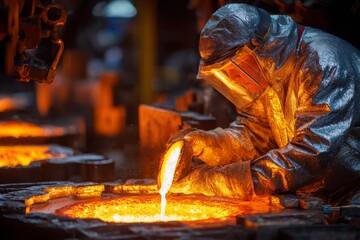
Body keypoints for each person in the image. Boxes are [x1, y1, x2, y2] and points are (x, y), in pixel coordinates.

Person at [168, 3, 360, 205]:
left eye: (235, 69)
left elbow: (311, 153)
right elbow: (256, 136)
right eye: (225, 74)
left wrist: (218, 181)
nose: (235, 78)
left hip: (353, 193)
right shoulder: (272, 71)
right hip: (321, 194)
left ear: (259, 48)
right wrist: (208, 144)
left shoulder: (324, 62)